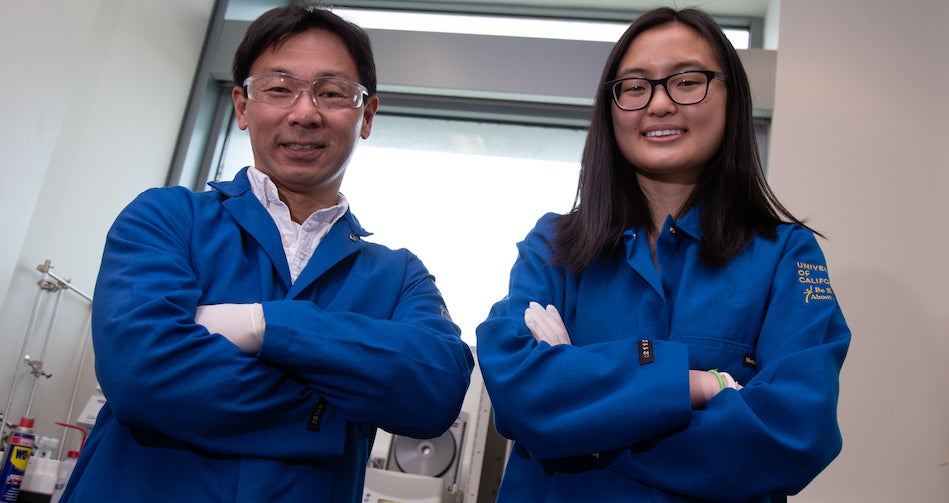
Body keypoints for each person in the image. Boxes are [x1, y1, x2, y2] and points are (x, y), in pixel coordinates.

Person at [61, 4, 473, 502]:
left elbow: (436, 391)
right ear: (241, 105)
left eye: (332, 92)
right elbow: (143, 373)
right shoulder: (166, 219)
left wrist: (264, 326)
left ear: (366, 115)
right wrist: (330, 411)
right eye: (279, 89)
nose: (305, 112)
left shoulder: (399, 276)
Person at [476, 7, 850, 503]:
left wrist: (583, 424)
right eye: (635, 87)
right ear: (610, 108)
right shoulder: (554, 245)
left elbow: (797, 431)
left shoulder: (785, 255)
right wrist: (694, 385)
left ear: (731, 98)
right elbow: (516, 391)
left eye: (687, 81)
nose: (659, 104)